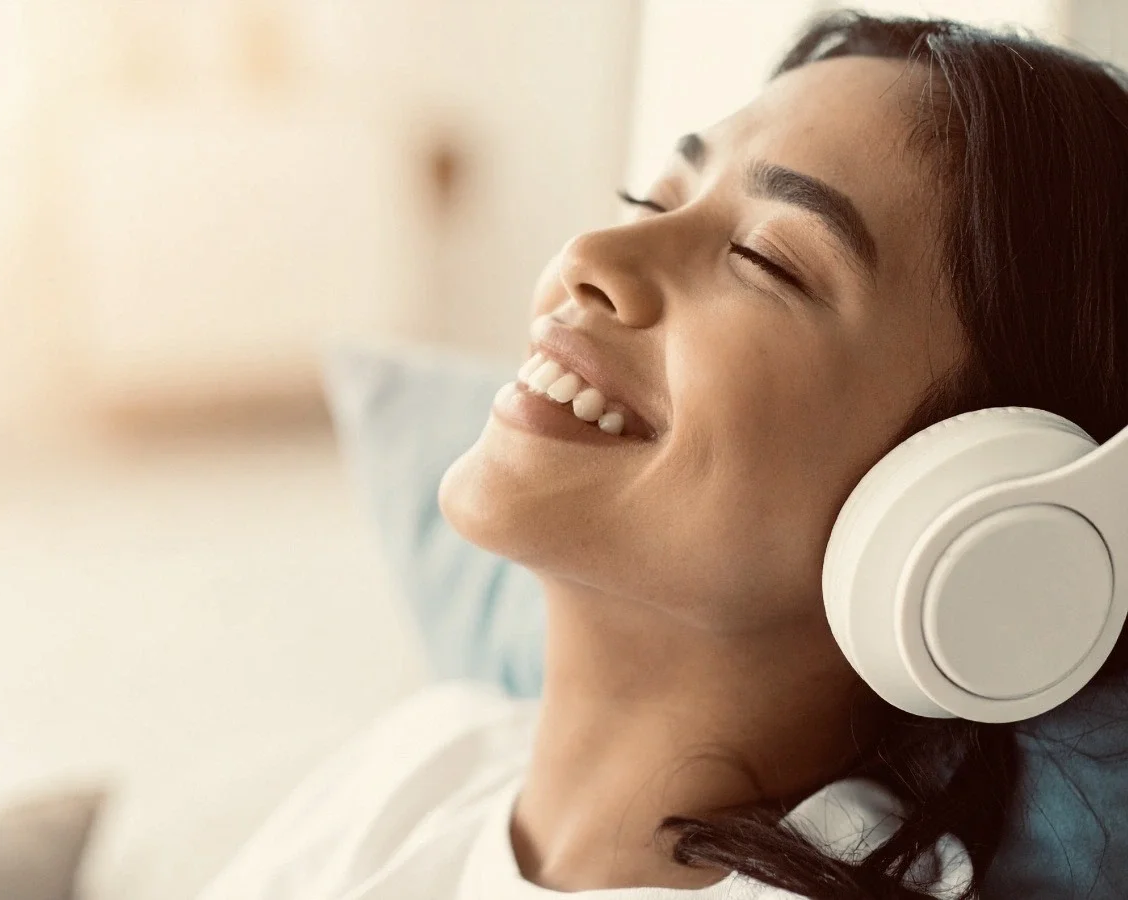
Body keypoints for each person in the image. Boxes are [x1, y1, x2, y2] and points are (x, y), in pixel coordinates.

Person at [199, 10, 1128, 899]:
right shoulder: (422, 759)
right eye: (651, 196)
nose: (593, 250)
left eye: (767, 258)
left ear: (981, 501)